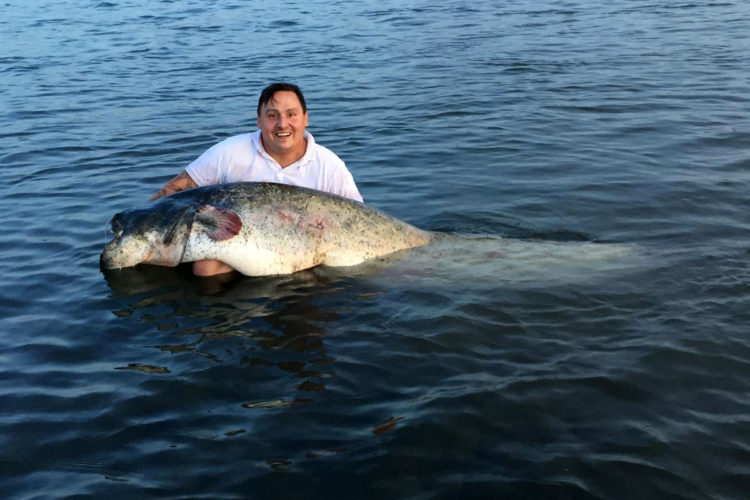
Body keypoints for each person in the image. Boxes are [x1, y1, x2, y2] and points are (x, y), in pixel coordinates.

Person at [149, 82, 363, 277]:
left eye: (291, 114)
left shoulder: (329, 165)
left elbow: (360, 219)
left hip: (310, 254)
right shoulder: (228, 152)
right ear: (258, 120)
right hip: (245, 252)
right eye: (272, 116)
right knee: (205, 268)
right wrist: (144, 222)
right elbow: (175, 190)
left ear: (305, 118)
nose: (282, 124)